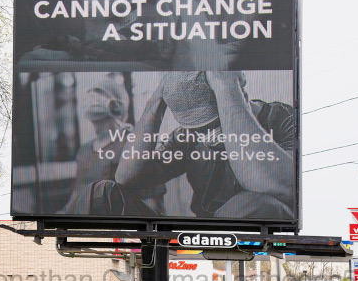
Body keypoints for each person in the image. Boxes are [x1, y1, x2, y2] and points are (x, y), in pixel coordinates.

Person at [115, 71, 295, 218]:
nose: (211, 137)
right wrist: (155, 103)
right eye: (200, 131)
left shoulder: (282, 119)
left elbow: (284, 186)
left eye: (217, 125)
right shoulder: (186, 136)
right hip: (205, 233)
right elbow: (126, 177)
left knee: (252, 203)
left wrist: (229, 90)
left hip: (250, 235)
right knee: (106, 192)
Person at [57, 75, 165, 215]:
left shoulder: (132, 145)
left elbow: (151, 202)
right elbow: (77, 196)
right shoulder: (84, 151)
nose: (91, 97)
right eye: (90, 93)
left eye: (99, 92)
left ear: (116, 106)